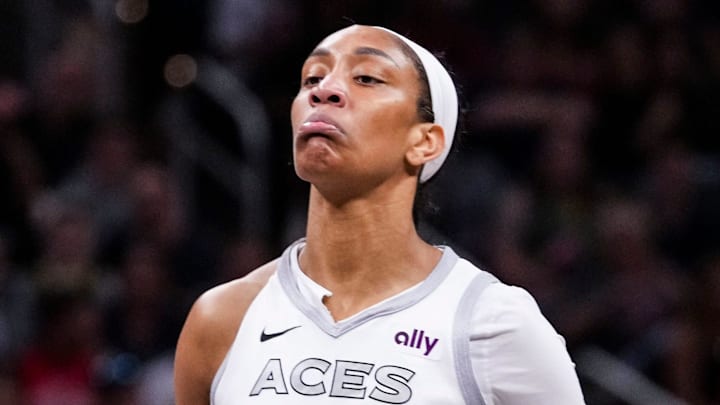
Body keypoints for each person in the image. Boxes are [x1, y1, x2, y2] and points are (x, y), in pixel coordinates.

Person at [174, 24, 586, 404]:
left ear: (425, 142)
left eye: (367, 78)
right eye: (312, 78)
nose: (324, 92)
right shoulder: (222, 317)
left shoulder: (494, 322)